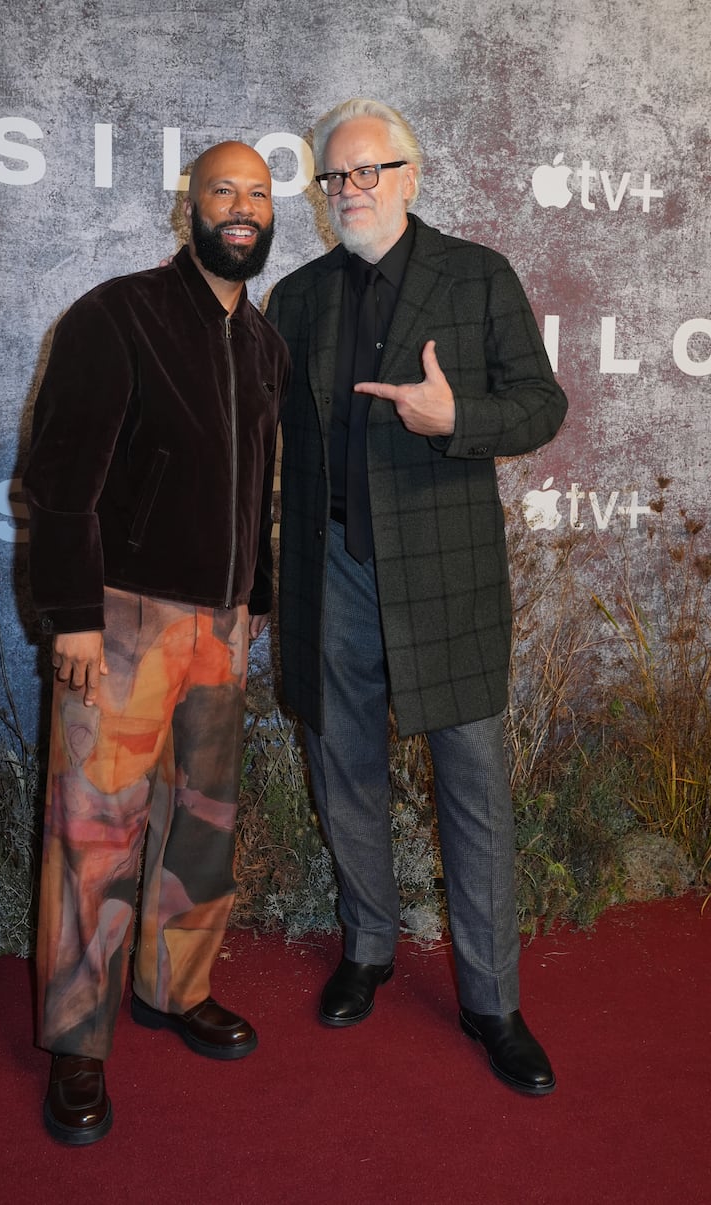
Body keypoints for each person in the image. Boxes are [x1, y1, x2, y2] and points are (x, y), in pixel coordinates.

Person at [266, 99, 567, 1095]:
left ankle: (490, 1000)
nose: (351, 190)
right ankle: (366, 946)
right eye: (334, 176)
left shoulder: (475, 275)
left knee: (473, 789)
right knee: (341, 765)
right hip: (333, 569)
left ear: (410, 174)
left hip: (445, 574)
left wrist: (455, 416)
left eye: (369, 170)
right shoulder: (298, 297)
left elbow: (540, 402)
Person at [23, 140, 289, 1145]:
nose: (241, 207)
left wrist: (252, 594)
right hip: (122, 621)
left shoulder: (263, 345)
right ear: (190, 205)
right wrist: (72, 615)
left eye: (258, 194)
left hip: (221, 627)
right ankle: (78, 1039)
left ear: (271, 215)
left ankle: (176, 988)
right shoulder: (116, 315)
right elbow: (61, 483)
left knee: (203, 823)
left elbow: (256, 484)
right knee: (95, 831)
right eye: (223, 190)